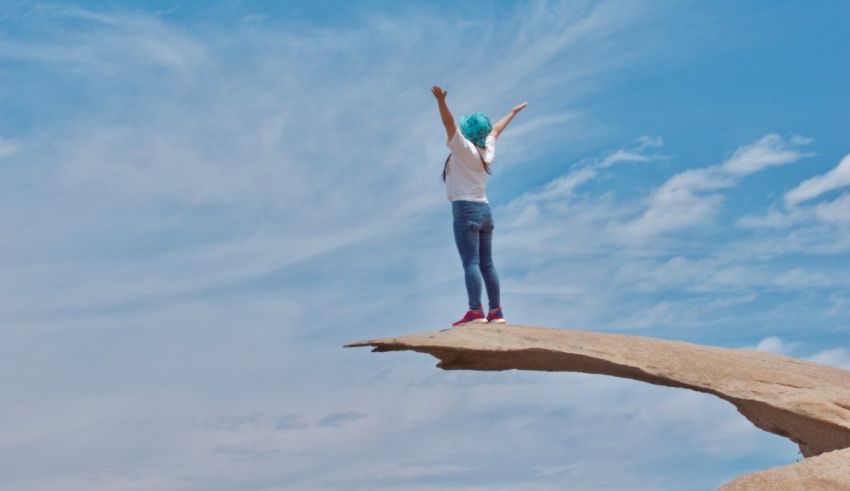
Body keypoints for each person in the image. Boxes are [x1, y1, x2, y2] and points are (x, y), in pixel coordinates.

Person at [431, 85, 527, 326]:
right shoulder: (487, 151)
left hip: (465, 210)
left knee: (471, 262)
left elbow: (448, 123)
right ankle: (496, 312)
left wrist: (441, 102)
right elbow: (496, 131)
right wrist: (512, 113)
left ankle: (475, 312)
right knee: (487, 263)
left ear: (467, 134)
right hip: (485, 211)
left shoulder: (464, 149)